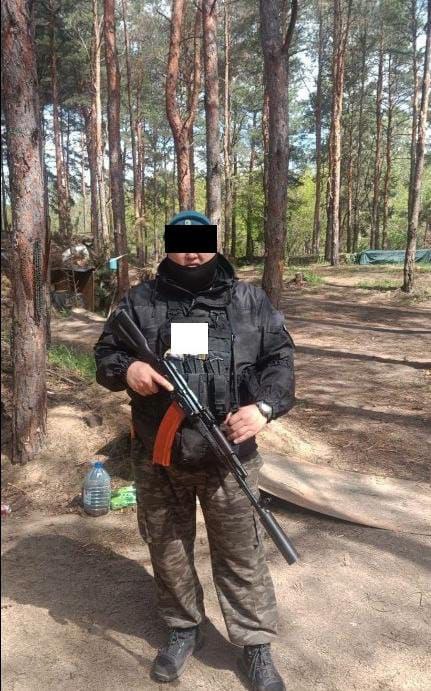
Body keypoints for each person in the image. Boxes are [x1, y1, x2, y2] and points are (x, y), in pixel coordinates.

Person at [94, 211, 295, 691]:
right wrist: (127, 371)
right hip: (159, 454)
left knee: (242, 552)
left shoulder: (249, 301)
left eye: (201, 241)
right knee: (166, 547)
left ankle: (255, 645)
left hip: (229, 452)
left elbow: (280, 360)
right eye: (181, 243)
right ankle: (183, 627)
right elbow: (105, 356)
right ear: (167, 246)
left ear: (215, 243)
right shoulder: (140, 301)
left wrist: (264, 408)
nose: (192, 252)